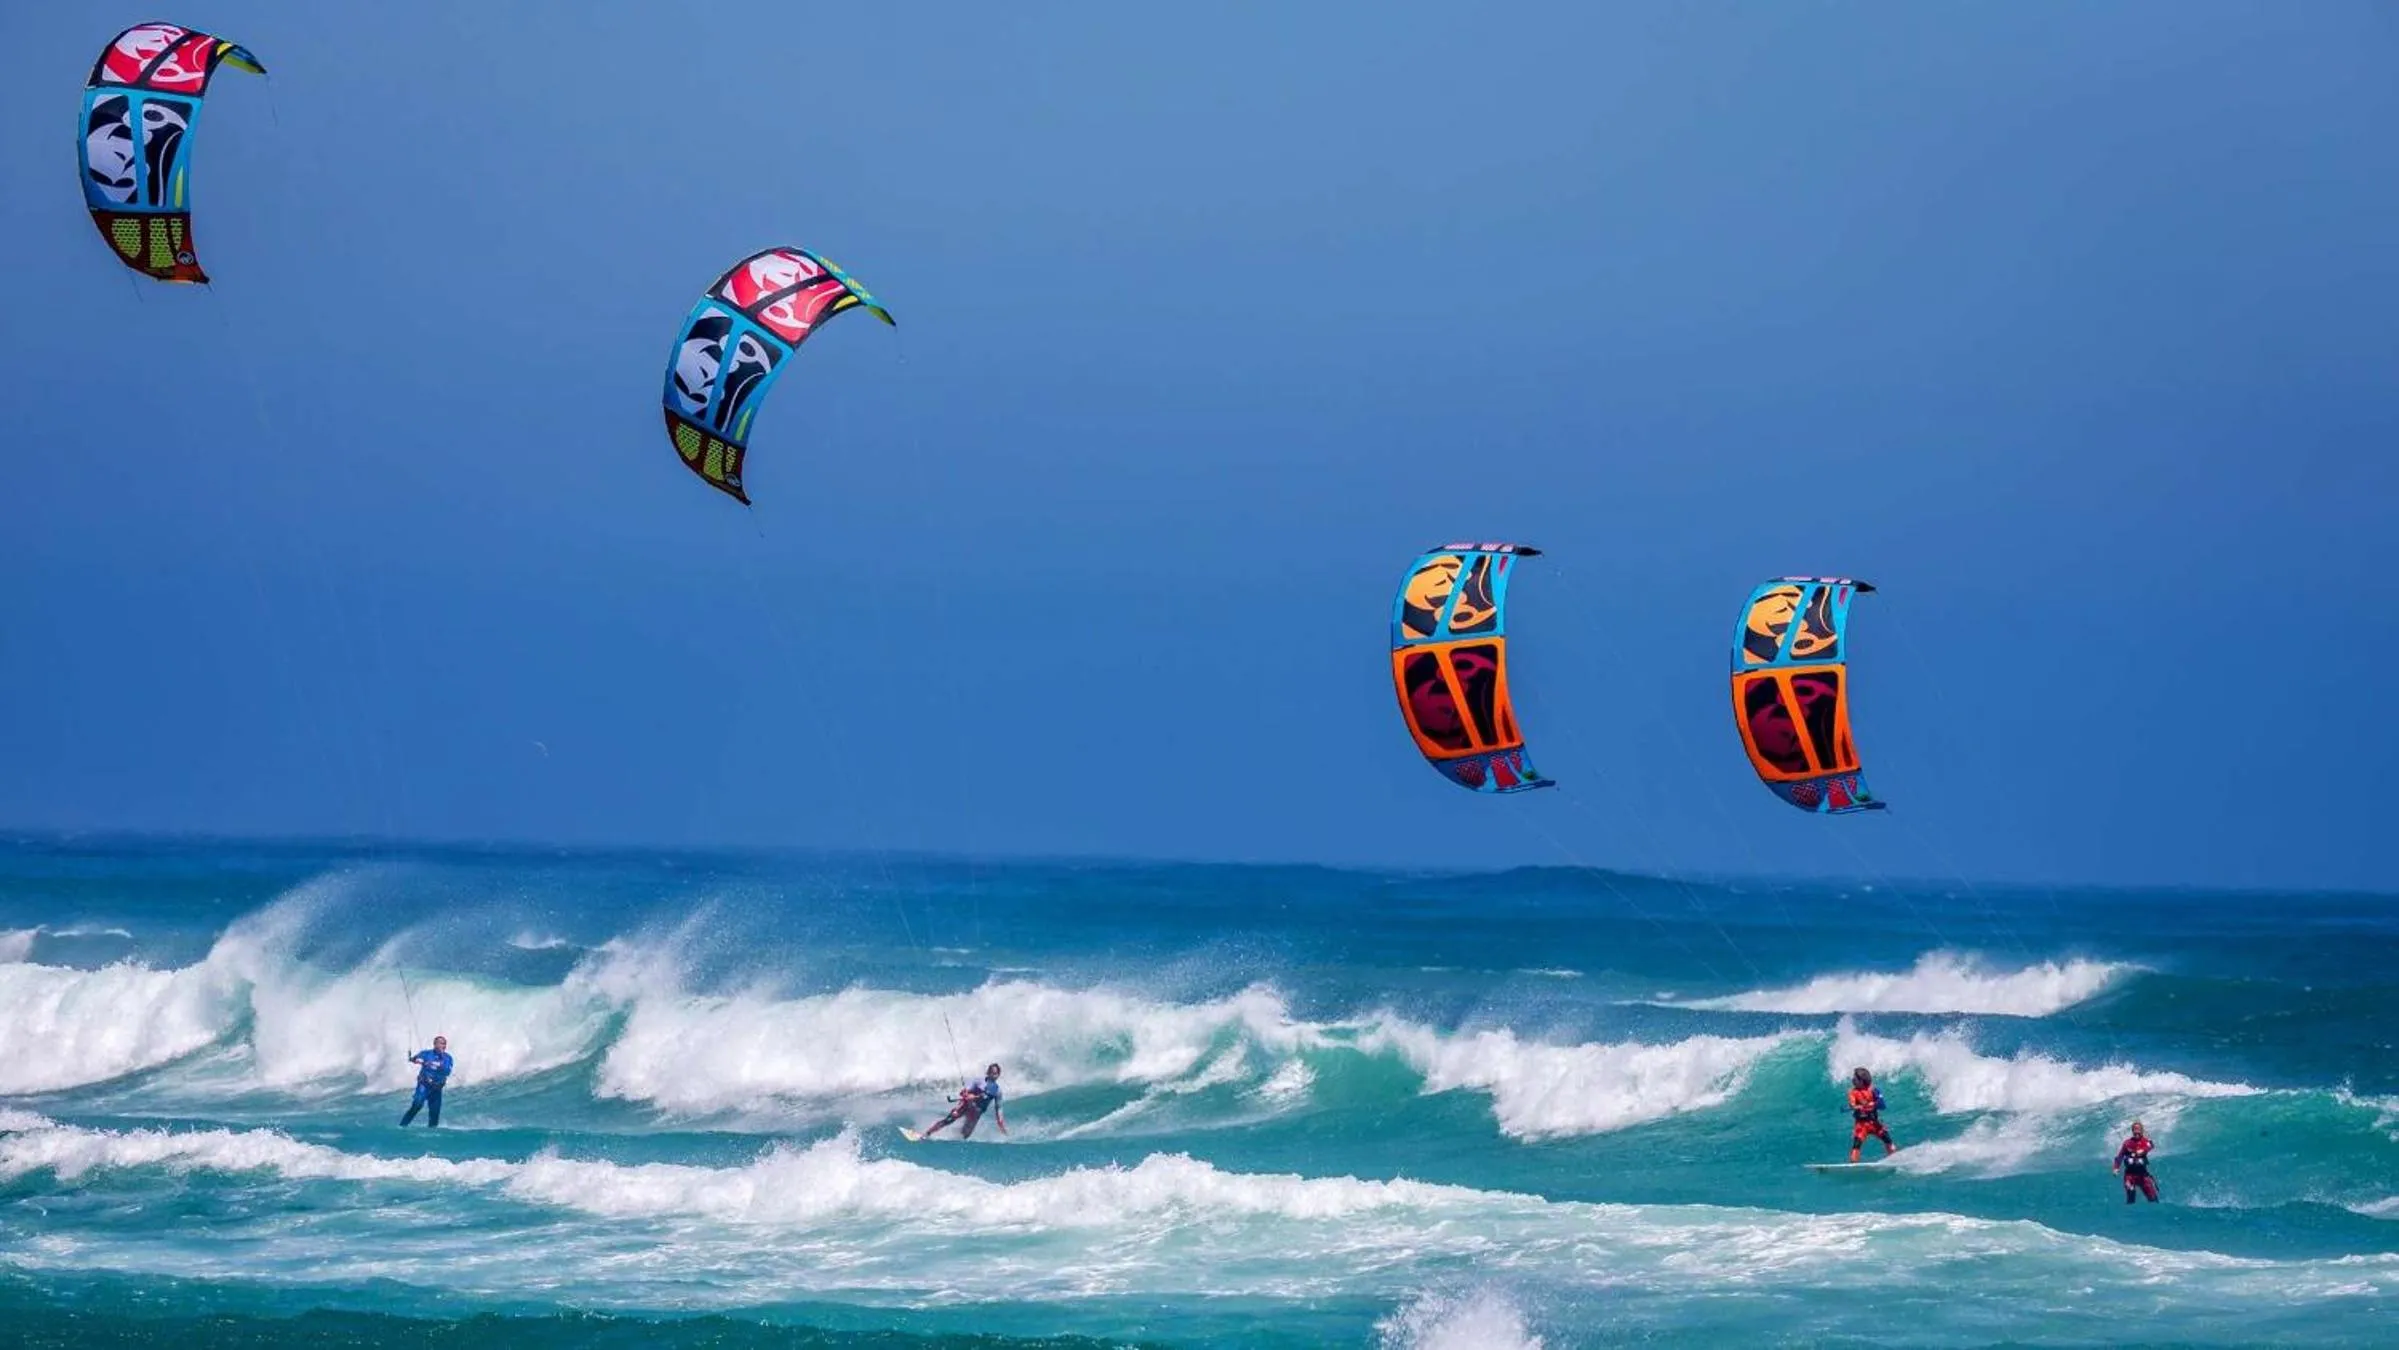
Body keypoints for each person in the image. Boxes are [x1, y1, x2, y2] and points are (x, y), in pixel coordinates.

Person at [919, 1062, 1008, 1139]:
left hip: (976, 1112)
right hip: (966, 1104)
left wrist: (1000, 1122)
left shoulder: (997, 1091)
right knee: (949, 1119)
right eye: (991, 1073)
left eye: (995, 1074)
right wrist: (966, 1093)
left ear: (998, 1075)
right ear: (987, 1073)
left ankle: (952, 1139)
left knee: (965, 1135)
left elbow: (999, 1108)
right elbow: (966, 1090)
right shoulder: (978, 1081)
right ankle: (926, 1134)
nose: (993, 1076)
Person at [402, 1035, 453, 1127]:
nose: (444, 1046)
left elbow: (447, 1071)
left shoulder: (448, 1058)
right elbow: (415, 1059)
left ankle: (432, 1131)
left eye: (445, 1044)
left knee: (435, 1113)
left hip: (437, 1088)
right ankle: (403, 1125)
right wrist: (415, 1059)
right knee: (417, 1104)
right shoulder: (426, 1053)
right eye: (441, 1043)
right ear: (435, 1044)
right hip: (424, 1085)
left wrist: (436, 1064)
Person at [1848, 1066, 1896, 1162]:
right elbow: (1852, 1104)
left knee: (1888, 1140)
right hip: (1861, 1125)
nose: (1852, 1080)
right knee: (1856, 1145)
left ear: (1861, 1081)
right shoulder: (1853, 1092)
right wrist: (1855, 1106)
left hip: (1875, 1123)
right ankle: (1853, 1165)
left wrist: (1873, 1104)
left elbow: (1882, 1105)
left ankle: (1894, 1159)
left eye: (1855, 1078)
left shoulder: (1874, 1090)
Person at [2113, 1120, 2158, 1203]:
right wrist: (2116, 1168)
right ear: (2132, 1131)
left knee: (2152, 1198)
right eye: (2135, 1130)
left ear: (2142, 1131)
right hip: (2130, 1175)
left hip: (2142, 1174)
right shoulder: (2127, 1143)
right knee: (2130, 1195)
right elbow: (2120, 1157)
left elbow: (2151, 1146)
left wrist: (2143, 1150)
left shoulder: (2145, 1141)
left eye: (2138, 1130)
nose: (2136, 1132)